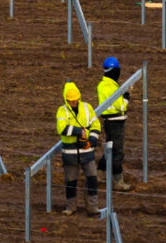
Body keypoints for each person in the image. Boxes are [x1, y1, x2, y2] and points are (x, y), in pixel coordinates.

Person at [56, 82, 100, 216]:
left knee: (92, 178)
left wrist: (91, 141)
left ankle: (92, 207)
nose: (74, 102)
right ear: (66, 100)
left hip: (87, 151)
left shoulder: (87, 108)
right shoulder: (62, 111)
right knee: (71, 181)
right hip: (70, 152)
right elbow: (61, 128)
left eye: (76, 99)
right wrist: (79, 132)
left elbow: (96, 125)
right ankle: (70, 207)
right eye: (71, 100)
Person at [96, 56, 132, 192]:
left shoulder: (106, 84)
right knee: (117, 152)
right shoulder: (109, 86)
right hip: (115, 122)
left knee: (109, 150)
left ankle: (98, 176)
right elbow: (121, 106)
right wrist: (127, 96)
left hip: (111, 122)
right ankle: (118, 182)